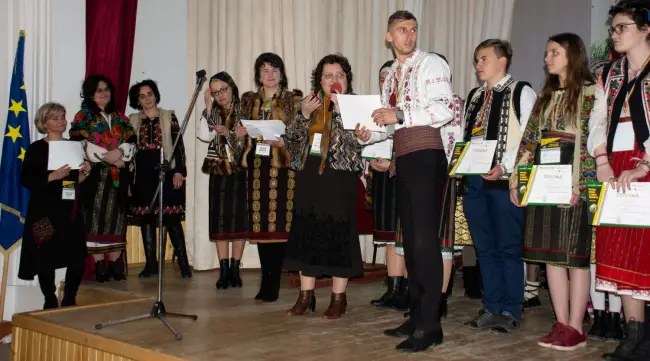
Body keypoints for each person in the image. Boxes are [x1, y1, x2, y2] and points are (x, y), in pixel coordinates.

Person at [356, 10, 454, 352]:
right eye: (401, 30)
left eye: (413, 30)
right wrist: (369, 134)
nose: (409, 36)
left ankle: (431, 325)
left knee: (425, 243)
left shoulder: (430, 64)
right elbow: (391, 127)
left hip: (426, 157)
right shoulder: (391, 76)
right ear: (388, 36)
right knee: (410, 244)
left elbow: (445, 109)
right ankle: (417, 315)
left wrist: (397, 115)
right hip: (404, 159)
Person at [509, 33, 596, 350]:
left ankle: (576, 326)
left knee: (574, 260)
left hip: (572, 191)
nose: (547, 58)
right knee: (551, 259)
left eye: (554, 52)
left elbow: (590, 143)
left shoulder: (590, 94)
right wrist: (518, 180)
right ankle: (561, 323)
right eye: (546, 53)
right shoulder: (546, 96)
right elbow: (529, 141)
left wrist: (580, 187)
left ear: (572, 55)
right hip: (544, 187)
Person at [460, 39, 537, 334]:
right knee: (484, 248)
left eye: (484, 59)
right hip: (475, 180)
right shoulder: (475, 95)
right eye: (477, 60)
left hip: (505, 181)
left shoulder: (521, 91)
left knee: (507, 247)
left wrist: (506, 166)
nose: (478, 64)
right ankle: (491, 306)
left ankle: (510, 308)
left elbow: (530, 137)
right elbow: (467, 136)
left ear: (502, 60)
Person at [587, 1, 650, 359]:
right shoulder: (610, 74)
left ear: (645, 29)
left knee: (646, 250)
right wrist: (602, 161)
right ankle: (632, 338)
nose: (615, 34)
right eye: (612, 28)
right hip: (616, 166)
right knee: (620, 249)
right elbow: (597, 120)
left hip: (645, 164)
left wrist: (643, 166)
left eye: (622, 27)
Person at [283, 53, 364, 319]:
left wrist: (346, 116)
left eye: (340, 75)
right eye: (328, 75)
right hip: (309, 177)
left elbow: (360, 143)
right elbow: (292, 143)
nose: (334, 80)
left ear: (347, 79)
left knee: (338, 234)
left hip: (339, 178)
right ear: (319, 80)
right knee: (308, 232)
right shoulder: (309, 103)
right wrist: (303, 114)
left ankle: (338, 298)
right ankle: (306, 296)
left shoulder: (356, 105)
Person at [18, 103, 91, 309]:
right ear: (45, 123)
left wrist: (84, 173)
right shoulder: (36, 148)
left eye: (62, 117)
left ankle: (70, 297)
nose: (60, 121)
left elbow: (73, 183)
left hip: (69, 211)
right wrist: (52, 176)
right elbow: (27, 179)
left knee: (76, 255)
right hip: (43, 212)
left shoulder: (72, 146)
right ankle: (49, 298)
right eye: (55, 118)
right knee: (45, 257)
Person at [240, 53, 298, 303]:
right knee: (261, 226)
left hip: (282, 168)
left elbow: (299, 133)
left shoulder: (292, 99)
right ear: (258, 75)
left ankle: (273, 282)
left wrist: (285, 140)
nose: (270, 74)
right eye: (264, 70)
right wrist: (239, 132)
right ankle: (267, 279)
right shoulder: (248, 100)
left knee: (280, 225)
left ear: (282, 73)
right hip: (256, 167)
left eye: (274, 69)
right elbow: (236, 137)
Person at [70, 74, 136, 282]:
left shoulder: (120, 117)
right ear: (90, 93)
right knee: (95, 218)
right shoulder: (83, 116)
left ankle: (116, 264)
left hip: (118, 177)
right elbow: (79, 141)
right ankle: (100, 266)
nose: (104, 93)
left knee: (117, 218)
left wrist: (120, 154)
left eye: (107, 89)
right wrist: (108, 157)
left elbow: (132, 140)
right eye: (99, 90)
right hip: (95, 176)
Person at [128, 79, 192, 279]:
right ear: (137, 100)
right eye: (142, 95)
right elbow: (128, 151)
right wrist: (129, 181)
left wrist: (179, 172)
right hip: (142, 174)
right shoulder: (132, 121)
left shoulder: (168, 117)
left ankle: (183, 264)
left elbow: (178, 146)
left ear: (156, 95)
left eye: (150, 94)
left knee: (171, 219)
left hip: (166, 170)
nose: (147, 98)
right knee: (146, 219)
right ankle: (151, 264)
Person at [198, 72, 248, 289]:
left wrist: (230, 133)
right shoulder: (211, 111)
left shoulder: (244, 109)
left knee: (238, 220)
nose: (220, 95)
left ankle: (235, 269)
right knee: (220, 220)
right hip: (219, 170)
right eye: (215, 92)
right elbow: (203, 135)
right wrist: (208, 107)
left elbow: (250, 139)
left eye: (223, 90)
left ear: (231, 87)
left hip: (239, 169)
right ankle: (223, 269)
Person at [368, 60, 409, 311]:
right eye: (382, 78)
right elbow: (369, 139)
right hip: (383, 175)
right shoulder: (375, 109)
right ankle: (392, 289)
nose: (386, 81)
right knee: (389, 236)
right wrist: (370, 157)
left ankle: (405, 289)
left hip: (404, 174)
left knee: (403, 233)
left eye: (390, 77)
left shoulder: (408, 109)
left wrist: (392, 162)